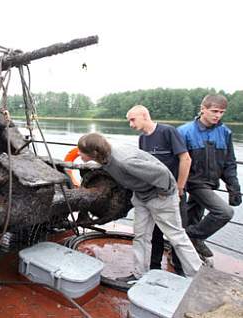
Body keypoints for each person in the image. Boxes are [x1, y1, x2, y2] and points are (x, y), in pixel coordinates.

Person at [77, 133, 202, 282]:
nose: (79, 154)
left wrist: (164, 193)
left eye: (81, 151)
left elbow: (162, 173)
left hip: (161, 197)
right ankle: (139, 273)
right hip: (142, 196)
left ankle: (197, 277)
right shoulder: (107, 158)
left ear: (95, 153)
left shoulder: (125, 161)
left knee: (176, 236)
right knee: (141, 236)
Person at [126, 105, 191, 275]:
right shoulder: (142, 139)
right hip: (152, 195)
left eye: (133, 120)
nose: (131, 124)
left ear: (145, 115)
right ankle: (153, 269)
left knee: (176, 235)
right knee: (153, 234)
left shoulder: (168, 132)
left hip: (172, 193)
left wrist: (180, 187)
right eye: (129, 121)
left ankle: (181, 271)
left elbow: (185, 159)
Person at [177, 94, 240, 260]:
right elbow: (175, 161)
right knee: (224, 212)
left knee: (193, 216)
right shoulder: (184, 132)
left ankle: (185, 249)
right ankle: (191, 236)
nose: (218, 115)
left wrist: (234, 188)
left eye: (222, 112)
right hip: (193, 183)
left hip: (211, 182)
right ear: (202, 109)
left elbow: (229, 162)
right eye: (214, 111)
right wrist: (177, 187)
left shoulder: (225, 132)